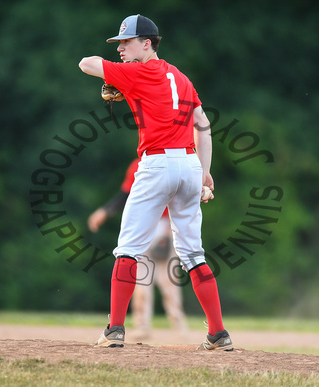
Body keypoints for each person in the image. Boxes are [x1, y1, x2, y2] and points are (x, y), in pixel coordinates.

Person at [79, 14, 233, 351]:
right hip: (190, 163)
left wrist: (117, 75)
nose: (120, 49)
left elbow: (85, 63)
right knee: (193, 252)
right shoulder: (180, 76)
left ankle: (115, 329)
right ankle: (218, 334)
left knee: (129, 248)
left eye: (127, 42)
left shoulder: (138, 71)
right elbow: (202, 122)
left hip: (157, 163)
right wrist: (205, 171)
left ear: (147, 43)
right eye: (119, 44)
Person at [88, 158, 188, 340]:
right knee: (142, 282)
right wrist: (105, 211)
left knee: (169, 282)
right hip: (144, 226)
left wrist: (173, 226)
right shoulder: (137, 165)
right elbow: (125, 195)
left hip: (166, 225)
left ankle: (178, 327)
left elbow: (180, 198)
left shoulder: (174, 163)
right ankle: (143, 326)